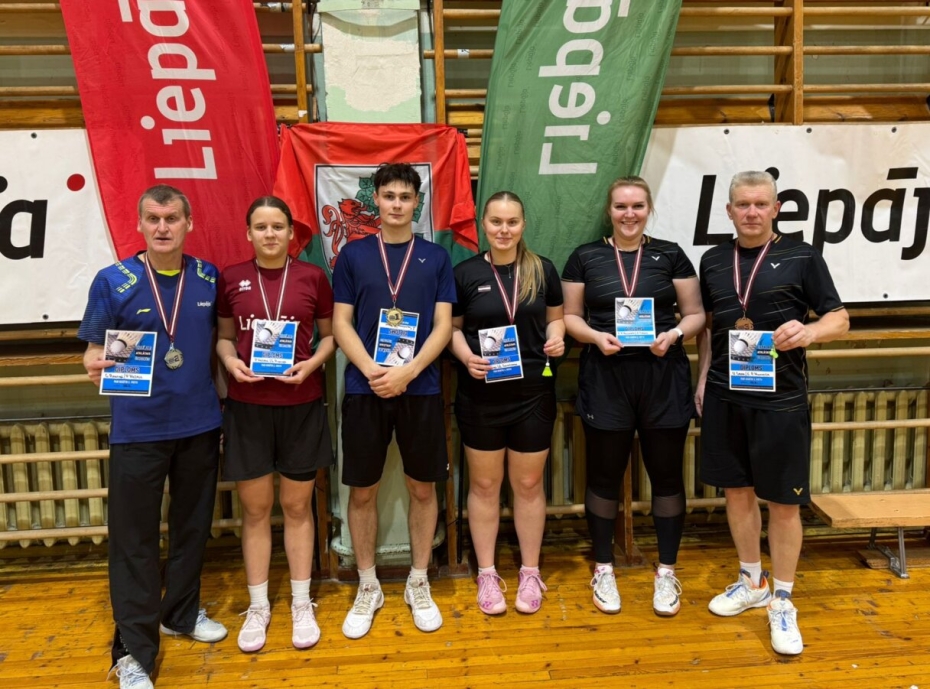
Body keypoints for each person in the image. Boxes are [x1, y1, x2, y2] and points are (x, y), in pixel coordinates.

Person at [79, 185, 227, 689]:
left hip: (199, 425)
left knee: (191, 529)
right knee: (134, 542)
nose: (162, 227)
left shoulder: (208, 276)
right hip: (138, 432)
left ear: (189, 222)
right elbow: (92, 353)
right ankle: (134, 651)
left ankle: (180, 613)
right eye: (152, 218)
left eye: (171, 218)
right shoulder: (114, 281)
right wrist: (94, 367)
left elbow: (218, 343)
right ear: (139, 224)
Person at [696, 170, 849, 655]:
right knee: (737, 493)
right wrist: (702, 378)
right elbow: (711, 329)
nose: (752, 212)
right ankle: (752, 581)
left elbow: (839, 318)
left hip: (780, 400)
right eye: (743, 205)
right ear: (729, 211)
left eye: (761, 204)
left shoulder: (803, 255)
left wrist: (808, 333)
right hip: (724, 394)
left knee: (783, 503)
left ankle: (783, 599)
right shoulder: (713, 260)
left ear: (777, 207)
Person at [561, 176, 705, 617]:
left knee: (666, 476)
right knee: (604, 476)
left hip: (663, 374)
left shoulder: (670, 254)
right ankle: (603, 567)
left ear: (648, 209)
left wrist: (675, 333)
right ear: (610, 210)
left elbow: (696, 313)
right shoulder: (586, 257)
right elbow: (569, 316)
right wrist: (594, 337)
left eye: (637, 206)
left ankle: (666, 571)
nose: (629, 214)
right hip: (606, 375)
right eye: (621, 206)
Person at [331, 163, 456, 639]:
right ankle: (368, 584)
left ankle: (418, 580)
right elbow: (341, 322)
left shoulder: (436, 257)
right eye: (389, 195)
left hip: (420, 388)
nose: (397, 203)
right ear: (376, 201)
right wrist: (373, 370)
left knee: (423, 488)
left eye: (406, 196)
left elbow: (444, 326)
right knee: (361, 491)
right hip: (366, 389)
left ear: (417, 203)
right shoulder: (353, 256)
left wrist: (407, 371)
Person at [216, 196, 336, 653]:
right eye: (261, 227)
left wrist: (311, 367)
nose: (270, 234)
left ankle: (301, 602)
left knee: (299, 507)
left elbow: (329, 338)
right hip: (247, 406)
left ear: (292, 233)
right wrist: (231, 365)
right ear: (248, 233)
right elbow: (225, 339)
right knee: (256, 509)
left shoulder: (312, 277)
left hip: (301, 402)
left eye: (278, 226)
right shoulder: (231, 278)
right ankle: (259, 604)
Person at [449, 191, 565, 615]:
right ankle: (486, 573)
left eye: (512, 222)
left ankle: (530, 571)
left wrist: (558, 337)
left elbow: (556, 317)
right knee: (483, 485)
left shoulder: (542, 269)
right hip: (481, 394)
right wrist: (464, 355)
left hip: (533, 392)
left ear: (523, 224)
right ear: (483, 223)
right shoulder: (465, 273)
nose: (504, 230)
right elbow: (453, 329)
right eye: (496, 221)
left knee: (530, 485)